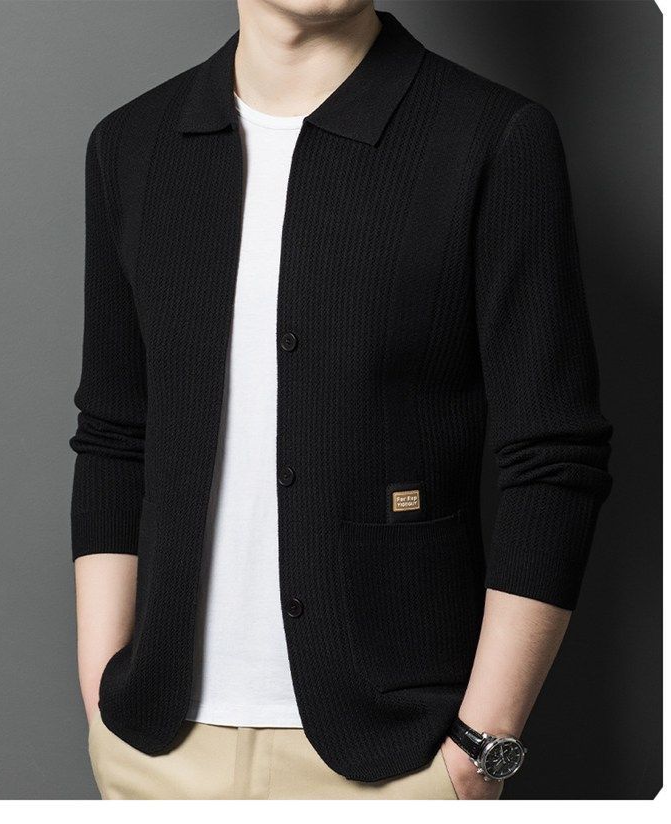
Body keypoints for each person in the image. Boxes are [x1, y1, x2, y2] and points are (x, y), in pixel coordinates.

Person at [69, 0, 612, 800]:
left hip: (401, 759)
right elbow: (115, 434)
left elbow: (554, 454)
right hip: (155, 752)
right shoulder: (130, 144)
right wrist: (102, 698)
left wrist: (481, 747)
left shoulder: (492, 136)